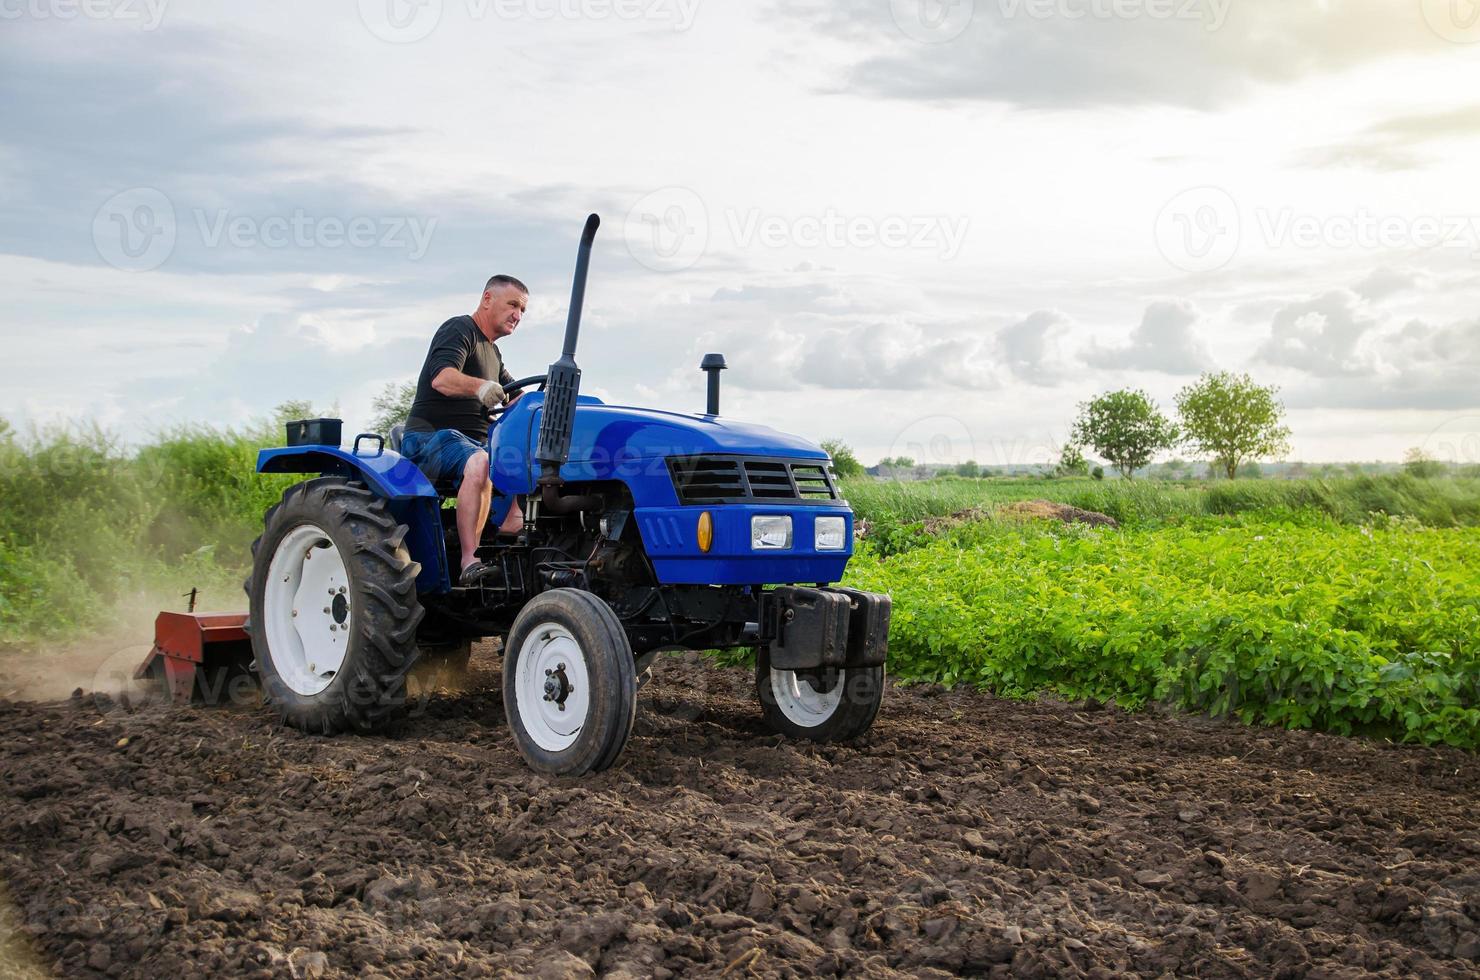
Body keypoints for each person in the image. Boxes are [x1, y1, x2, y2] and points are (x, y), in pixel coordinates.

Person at [402, 275, 529, 585]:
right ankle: (470, 560)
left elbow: (515, 394)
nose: (518, 314)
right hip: (430, 438)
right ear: (488, 299)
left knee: (531, 456)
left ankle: (515, 527)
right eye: (513, 304)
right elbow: (442, 379)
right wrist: (480, 386)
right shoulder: (460, 330)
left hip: (472, 443)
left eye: (523, 310)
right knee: (482, 462)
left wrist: (542, 404)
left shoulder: (493, 353)